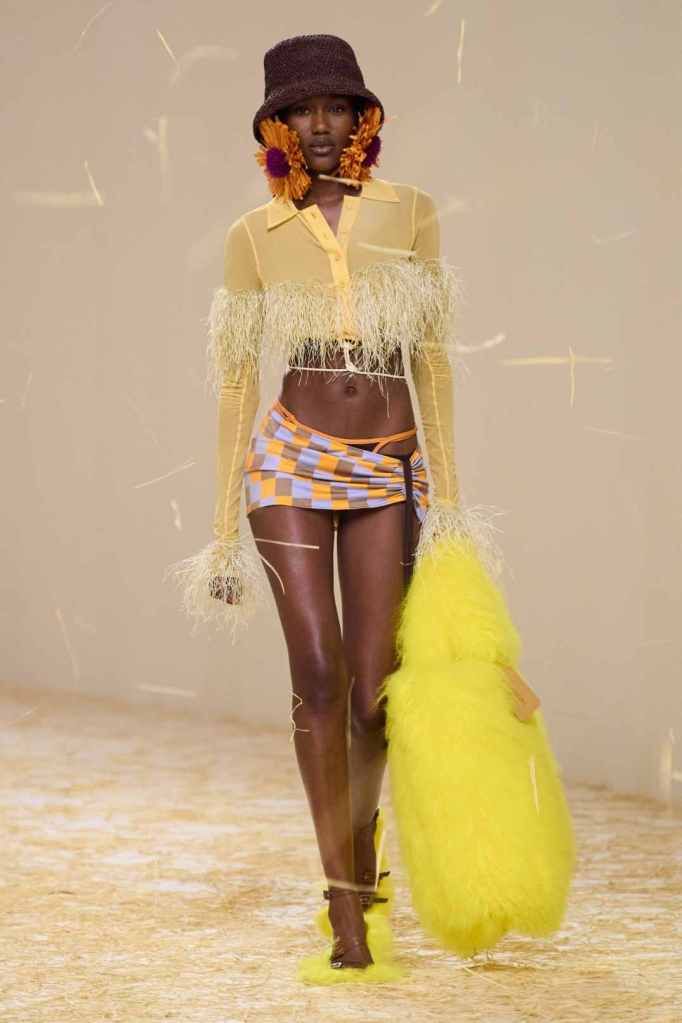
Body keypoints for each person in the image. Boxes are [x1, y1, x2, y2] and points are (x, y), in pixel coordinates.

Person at [170, 33, 479, 980]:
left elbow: (431, 360)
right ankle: (343, 901)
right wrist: (220, 530)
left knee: (374, 694)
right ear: (275, 125)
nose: (319, 124)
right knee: (315, 672)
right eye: (299, 109)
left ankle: (363, 854)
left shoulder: (410, 211)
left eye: (336, 106)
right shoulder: (254, 234)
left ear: (362, 117)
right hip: (291, 462)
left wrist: (450, 499)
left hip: (387, 466)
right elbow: (236, 381)